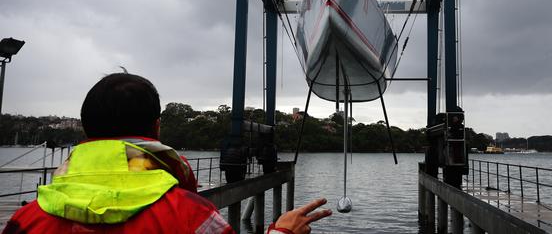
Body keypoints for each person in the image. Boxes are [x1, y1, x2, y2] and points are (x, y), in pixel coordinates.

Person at [3, 73, 331, 233]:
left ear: (87, 132)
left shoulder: (26, 219)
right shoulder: (191, 216)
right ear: (157, 128)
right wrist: (281, 232)